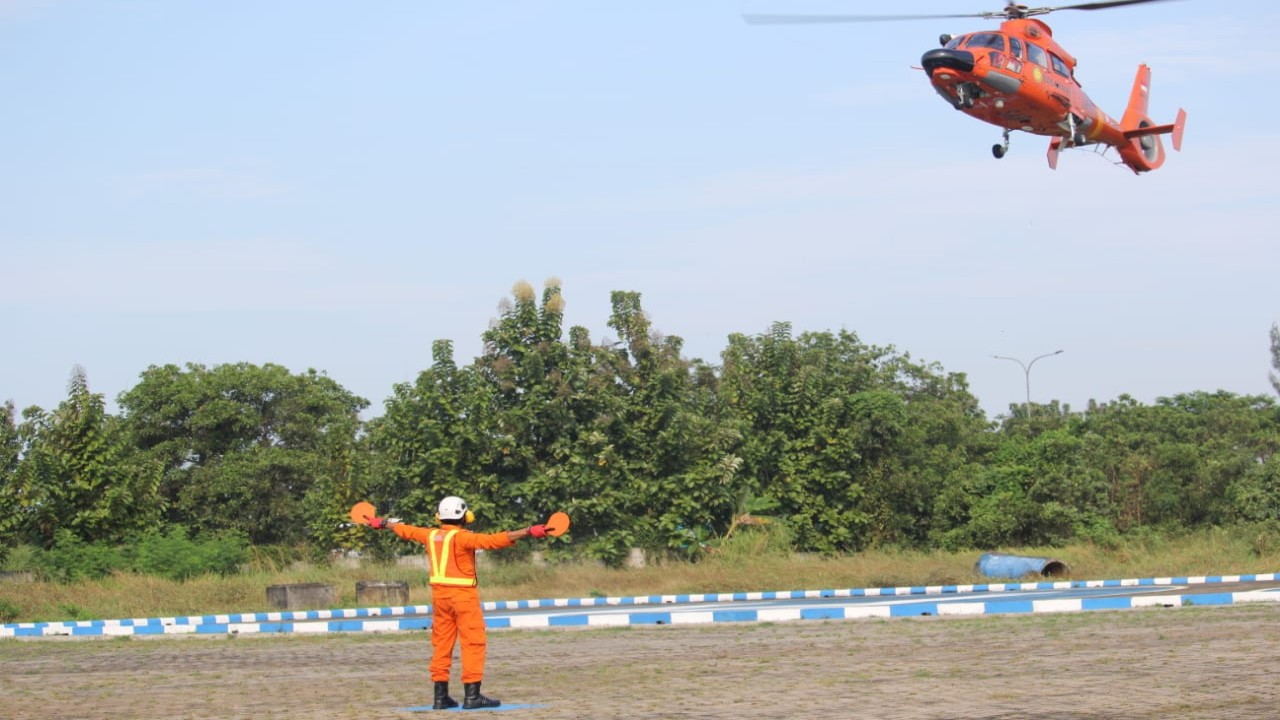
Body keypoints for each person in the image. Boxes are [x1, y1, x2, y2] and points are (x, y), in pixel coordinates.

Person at [368, 495, 548, 710]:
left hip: (439, 597)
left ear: (439, 517)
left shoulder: (430, 535)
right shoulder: (463, 538)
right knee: (473, 642)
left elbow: (406, 529)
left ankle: (440, 697)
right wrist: (528, 531)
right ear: (465, 516)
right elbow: (493, 540)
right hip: (463, 597)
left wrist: (384, 523)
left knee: (441, 644)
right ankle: (472, 697)